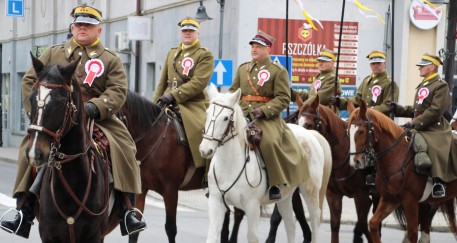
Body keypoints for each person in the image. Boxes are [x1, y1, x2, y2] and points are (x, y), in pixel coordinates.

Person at [0, 4, 146, 238]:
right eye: (79, 24)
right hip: (57, 116)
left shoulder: (110, 59)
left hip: (97, 117)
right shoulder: (53, 53)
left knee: (125, 147)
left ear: (98, 30)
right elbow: (30, 81)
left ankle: (127, 210)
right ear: (73, 27)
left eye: (88, 25)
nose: (82, 28)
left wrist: (94, 107)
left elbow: (118, 91)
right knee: (30, 146)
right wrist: (39, 113)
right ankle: (24, 210)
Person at [229, 30, 308, 200]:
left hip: (266, 117)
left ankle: (274, 183)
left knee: (269, 142)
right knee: (217, 135)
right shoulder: (243, 69)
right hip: (242, 113)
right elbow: (233, 91)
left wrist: (263, 111)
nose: (254, 49)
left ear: (268, 49)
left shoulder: (278, 71)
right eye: (253, 46)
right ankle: (211, 179)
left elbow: (284, 98)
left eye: (259, 47)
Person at [389, 53, 456, 198]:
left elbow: (435, 110)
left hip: (434, 128)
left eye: (422, 66)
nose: (419, 68)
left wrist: (414, 123)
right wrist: (398, 109)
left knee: (433, 146)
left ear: (432, 67)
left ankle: (439, 182)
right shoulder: (423, 85)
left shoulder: (441, 86)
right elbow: (417, 110)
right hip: (420, 125)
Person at [330, 50, 399, 188]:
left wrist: (368, 113)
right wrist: (341, 102)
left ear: (384, 63)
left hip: (379, 125)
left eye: (378, 63)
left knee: (374, 148)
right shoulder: (367, 81)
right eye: (373, 63)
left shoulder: (390, 83)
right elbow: (357, 100)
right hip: (363, 121)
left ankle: (375, 175)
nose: (375, 66)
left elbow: (387, 105)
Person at [153, 17, 214, 172]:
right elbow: (162, 82)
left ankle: (206, 172)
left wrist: (174, 95)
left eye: (191, 30)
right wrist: (153, 104)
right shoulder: (172, 52)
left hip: (192, 103)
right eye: (184, 30)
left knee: (203, 130)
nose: (187, 33)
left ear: (197, 33)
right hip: (167, 99)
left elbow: (199, 83)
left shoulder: (204, 55)